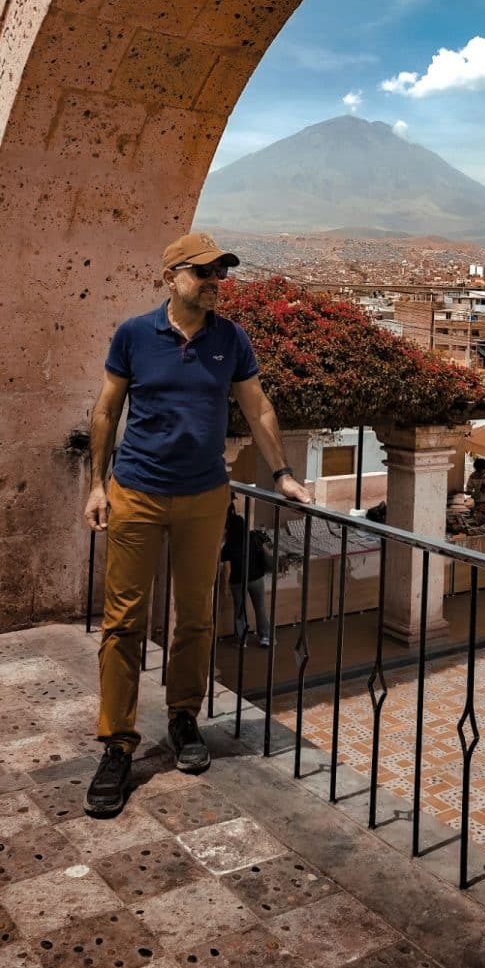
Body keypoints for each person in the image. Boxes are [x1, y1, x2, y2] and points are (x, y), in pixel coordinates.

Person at [82, 230, 311, 818]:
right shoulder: (135, 334)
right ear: (171, 278)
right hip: (136, 493)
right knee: (124, 620)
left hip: (205, 497)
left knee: (196, 617)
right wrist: (95, 483)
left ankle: (184, 718)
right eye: (204, 272)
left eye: (221, 274)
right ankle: (116, 743)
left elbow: (256, 405)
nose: (216, 283)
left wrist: (282, 471)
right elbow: (107, 408)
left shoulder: (230, 339)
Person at [222, 500, 272, 646]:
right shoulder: (254, 537)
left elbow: (221, 557)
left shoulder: (230, 544)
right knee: (260, 608)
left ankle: (242, 639)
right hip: (256, 578)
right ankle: (265, 637)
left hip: (238, 581)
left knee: (240, 611)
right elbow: (268, 540)